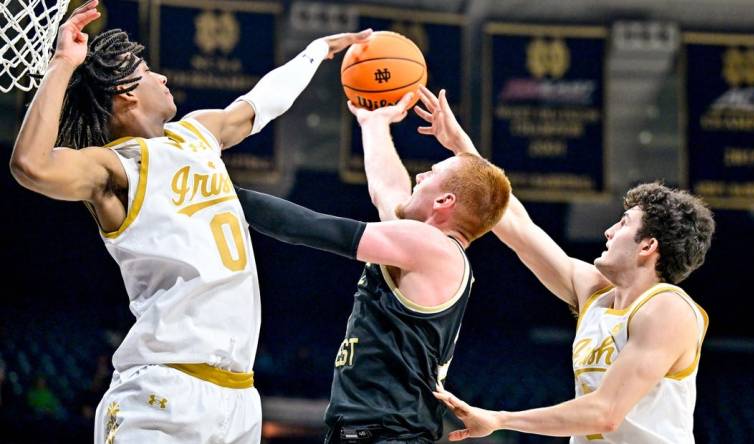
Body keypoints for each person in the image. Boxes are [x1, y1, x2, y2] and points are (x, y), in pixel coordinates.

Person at [8, 1, 370, 442]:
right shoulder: (113, 170)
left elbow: (260, 104)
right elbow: (32, 164)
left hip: (239, 398)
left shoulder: (197, 132)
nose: (163, 77)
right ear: (124, 91)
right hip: (162, 391)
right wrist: (64, 63)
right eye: (147, 69)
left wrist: (315, 51)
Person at [415, 86, 715, 443]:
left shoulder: (668, 307)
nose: (607, 231)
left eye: (622, 224)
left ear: (648, 246)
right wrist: (461, 146)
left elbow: (604, 413)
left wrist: (499, 418)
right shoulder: (594, 293)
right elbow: (519, 229)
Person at [233, 92, 511, 443]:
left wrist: (222, 192)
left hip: (388, 433)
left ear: (444, 201)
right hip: (379, 430)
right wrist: (375, 124)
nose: (421, 175)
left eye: (433, 173)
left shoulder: (431, 247)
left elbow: (312, 227)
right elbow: (387, 192)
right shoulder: (424, 248)